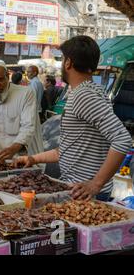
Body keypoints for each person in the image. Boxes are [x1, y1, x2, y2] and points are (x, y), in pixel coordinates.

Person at [15, 36, 132, 201]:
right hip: (77, 190)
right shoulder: (89, 91)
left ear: (68, 62)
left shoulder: (84, 95)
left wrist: (96, 184)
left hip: (86, 194)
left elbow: (122, 139)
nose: (62, 64)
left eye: (62, 59)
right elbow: (68, 149)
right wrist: (33, 159)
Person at [0, 59, 44, 160]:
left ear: (7, 76)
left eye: (0, 79)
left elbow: (28, 127)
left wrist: (14, 148)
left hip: (25, 157)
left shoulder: (26, 93)